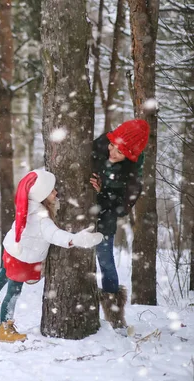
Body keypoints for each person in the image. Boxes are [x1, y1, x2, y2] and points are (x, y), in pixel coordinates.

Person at [0, 169, 104, 343]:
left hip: (13, 250)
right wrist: (75, 239)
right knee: (14, 291)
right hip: (22, 256)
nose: (56, 192)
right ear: (41, 194)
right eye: (51, 191)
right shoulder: (41, 217)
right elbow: (55, 235)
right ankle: (5, 328)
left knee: (4, 273)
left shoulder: (27, 204)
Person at [90, 119, 149, 330]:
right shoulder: (97, 146)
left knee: (105, 261)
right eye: (112, 145)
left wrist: (102, 192)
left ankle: (114, 317)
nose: (113, 152)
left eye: (120, 152)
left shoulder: (132, 176)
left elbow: (122, 207)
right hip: (77, 215)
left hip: (105, 219)